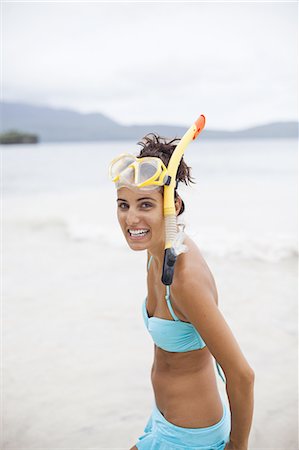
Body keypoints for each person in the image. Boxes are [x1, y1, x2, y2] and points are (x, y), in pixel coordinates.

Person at [109, 133, 255, 450]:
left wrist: (238, 446)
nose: (131, 218)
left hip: (191, 437)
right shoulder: (155, 251)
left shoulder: (184, 280)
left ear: (172, 204)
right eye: (124, 204)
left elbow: (242, 375)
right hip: (161, 421)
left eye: (145, 204)